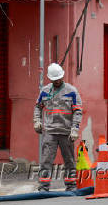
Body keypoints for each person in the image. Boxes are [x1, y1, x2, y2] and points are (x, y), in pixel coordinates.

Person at [33, 63, 83, 192]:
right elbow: (37, 107)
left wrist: (75, 128)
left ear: (63, 76)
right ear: (50, 78)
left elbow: (78, 111)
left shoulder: (71, 91)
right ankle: (43, 187)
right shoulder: (45, 91)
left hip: (66, 132)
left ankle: (71, 186)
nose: (57, 81)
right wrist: (37, 121)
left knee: (69, 161)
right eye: (54, 79)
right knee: (46, 160)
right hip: (50, 131)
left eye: (59, 78)